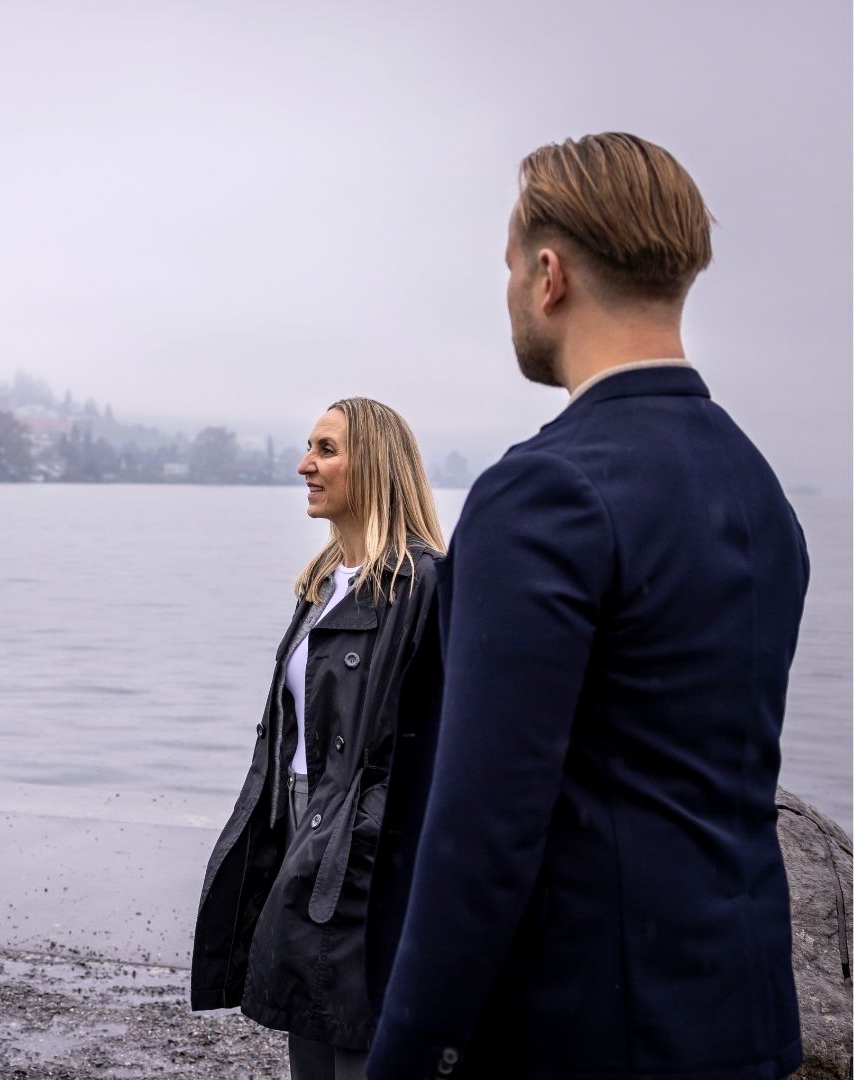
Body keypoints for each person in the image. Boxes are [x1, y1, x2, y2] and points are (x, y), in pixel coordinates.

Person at [366, 134, 810, 1079]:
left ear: (549, 275)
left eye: (510, 267)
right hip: (744, 1018)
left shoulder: (547, 493)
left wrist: (409, 1050)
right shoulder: (757, 489)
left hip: (585, 1033)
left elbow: (483, 826)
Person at [191, 396, 447, 1080]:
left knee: (358, 1037)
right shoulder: (322, 584)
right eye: (310, 447)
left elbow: (437, 740)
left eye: (327, 450)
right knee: (307, 1023)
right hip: (301, 827)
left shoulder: (420, 584)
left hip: (363, 843)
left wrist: (363, 830)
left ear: (378, 465)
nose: (305, 464)